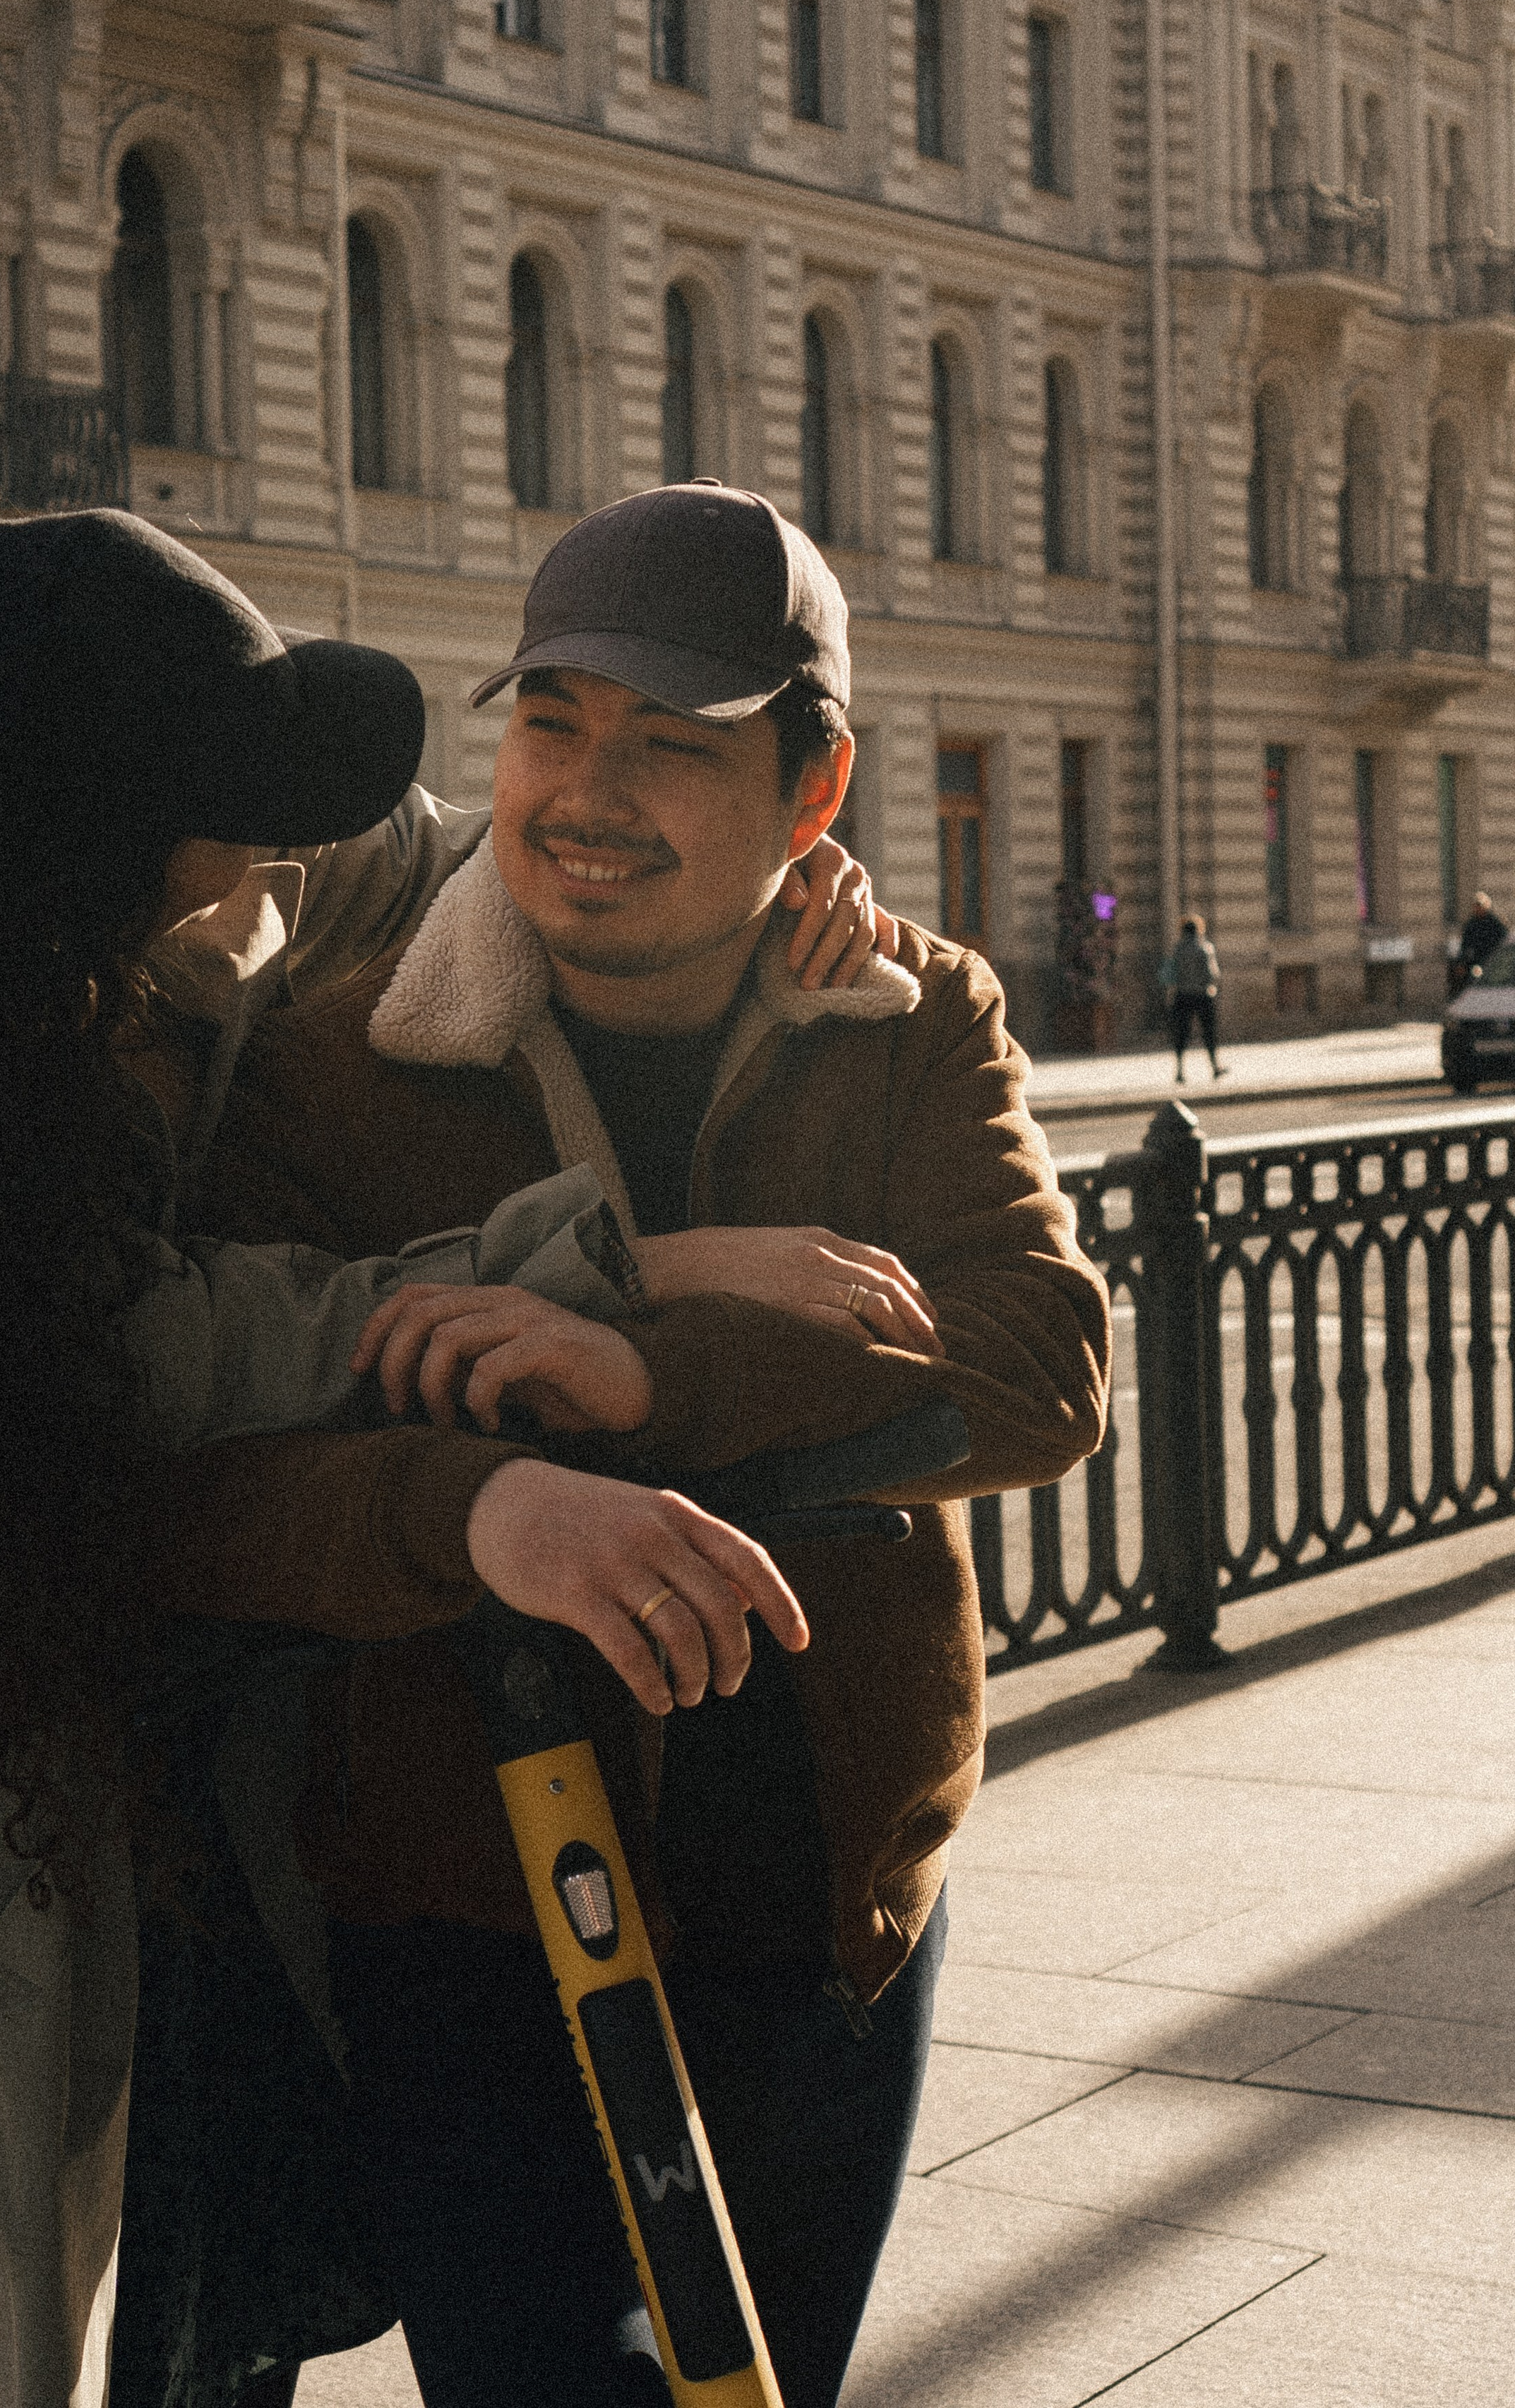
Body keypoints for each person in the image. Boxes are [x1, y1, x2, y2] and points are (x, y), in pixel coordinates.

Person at [0, 510, 904, 2408]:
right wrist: (599, 1254)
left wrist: (786, 886)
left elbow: (464, 856)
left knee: (239, 2160)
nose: (284, 832)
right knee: (32, 2154)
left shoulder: (168, 886)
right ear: (96, 854)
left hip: (215, 1641)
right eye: (238, 799)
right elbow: (165, 1350)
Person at [182, 481, 1113, 2408]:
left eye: (671, 746)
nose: (586, 795)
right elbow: (214, 1490)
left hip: (823, 1897)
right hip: (457, 1910)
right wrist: (479, 1507)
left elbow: (1040, 1363)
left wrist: (645, 1374)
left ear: (813, 788)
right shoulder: (339, 1061)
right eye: (551, 724)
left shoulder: (913, 1019)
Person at [1165, 913, 1223, 1084]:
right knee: (1209, 1033)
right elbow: (1213, 974)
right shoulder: (1205, 948)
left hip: (1182, 996)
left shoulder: (1177, 949)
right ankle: (1214, 1067)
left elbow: (1171, 974)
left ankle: (1180, 1071)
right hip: (1203, 996)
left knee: (1181, 1034)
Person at [1459, 889, 1507, 980]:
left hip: (1493, 960)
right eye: (1476, 906)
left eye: (1480, 906)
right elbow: (1465, 945)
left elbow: (1504, 940)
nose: (1478, 909)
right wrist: (1462, 962)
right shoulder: (1471, 924)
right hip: (1477, 961)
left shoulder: (1495, 923)